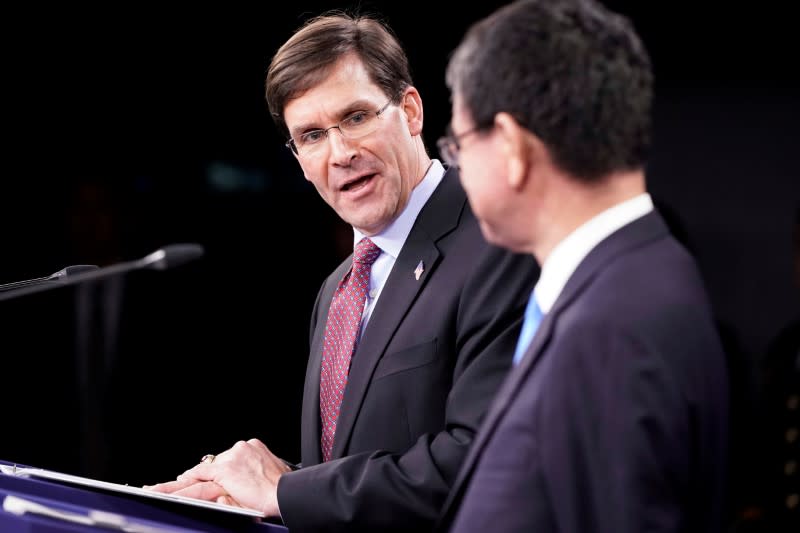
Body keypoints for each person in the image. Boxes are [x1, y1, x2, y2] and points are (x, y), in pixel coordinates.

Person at [147, 10, 539, 532]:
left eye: (356, 117)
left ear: (411, 111)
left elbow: (484, 463)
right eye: (311, 136)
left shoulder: (499, 240)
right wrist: (253, 489)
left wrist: (286, 490)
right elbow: (355, 469)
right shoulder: (338, 289)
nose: (341, 153)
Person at [434, 1, 729, 531]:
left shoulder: (613, 329)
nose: (458, 165)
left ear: (512, 146)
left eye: (459, 144)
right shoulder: (641, 276)